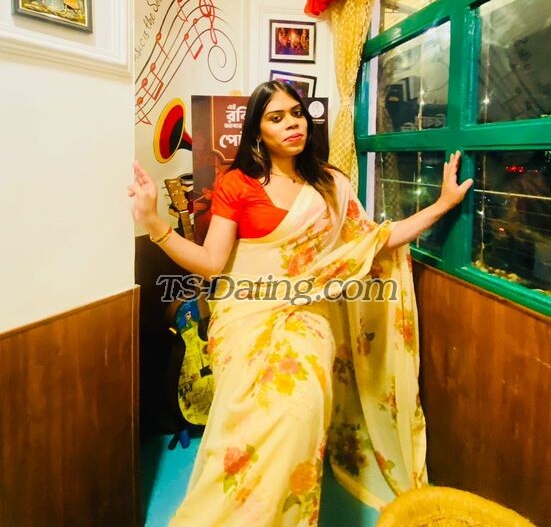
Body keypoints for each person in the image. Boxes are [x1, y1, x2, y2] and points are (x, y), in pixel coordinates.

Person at [129, 81, 472, 526]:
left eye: (297, 113)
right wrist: (154, 223)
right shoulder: (237, 184)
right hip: (245, 316)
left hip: (308, 316)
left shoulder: (331, 184)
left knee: (301, 409)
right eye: (276, 117)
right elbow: (211, 264)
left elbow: (375, 241)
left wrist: (442, 205)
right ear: (257, 131)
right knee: (248, 422)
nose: (292, 123)